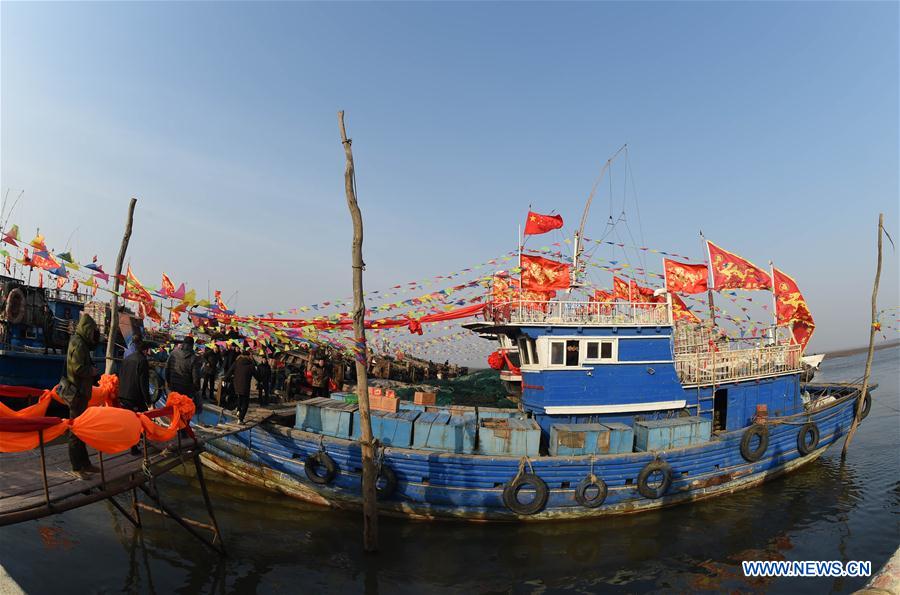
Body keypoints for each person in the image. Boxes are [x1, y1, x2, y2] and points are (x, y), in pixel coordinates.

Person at [59, 313, 101, 475]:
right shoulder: (78, 343)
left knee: (82, 429)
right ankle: (76, 467)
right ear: (86, 329)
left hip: (81, 392)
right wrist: (91, 370)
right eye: (91, 331)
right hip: (77, 393)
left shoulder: (79, 341)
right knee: (75, 431)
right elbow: (77, 368)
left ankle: (85, 463)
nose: (93, 334)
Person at [119, 337, 150, 455]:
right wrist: (148, 399)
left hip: (123, 394)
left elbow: (121, 375)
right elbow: (144, 383)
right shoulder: (142, 361)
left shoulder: (127, 359)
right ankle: (134, 447)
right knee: (141, 421)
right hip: (135, 397)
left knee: (128, 421)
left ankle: (130, 443)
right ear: (146, 350)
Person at [166, 336, 202, 422]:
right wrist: (196, 389)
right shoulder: (193, 358)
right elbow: (196, 377)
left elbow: (167, 369)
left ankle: (175, 427)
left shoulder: (173, 353)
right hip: (187, 389)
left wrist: (168, 383)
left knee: (175, 409)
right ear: (192, 345)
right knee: (185, 411)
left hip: (173, 387)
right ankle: (184, 430)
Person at [225, 349, 256, 423]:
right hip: (245, 386)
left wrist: (225, 379)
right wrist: (261, 381)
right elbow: (257, 375)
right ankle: (240, 419)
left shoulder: (236, 362)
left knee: (239, 397)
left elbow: (229, 371)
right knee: (245, 402)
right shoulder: (251, 365)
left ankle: (238, 410)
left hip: (237, 385)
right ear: (248, 356)